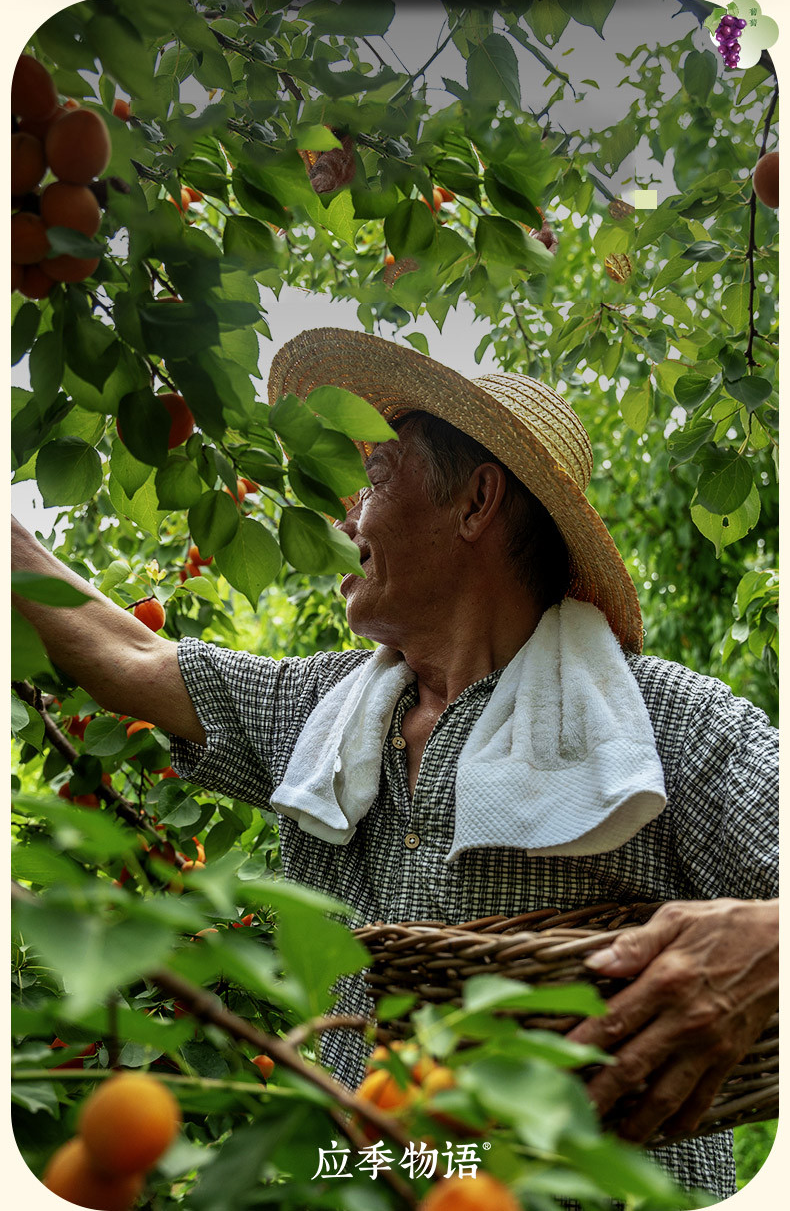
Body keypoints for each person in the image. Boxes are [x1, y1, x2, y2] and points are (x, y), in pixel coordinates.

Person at [11, 327, 778, 1204]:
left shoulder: (663, 724)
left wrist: (765, 944)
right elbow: (133, 658)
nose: (346, 513)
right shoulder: (326, 712)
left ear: (477, 501)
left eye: (376, 477)